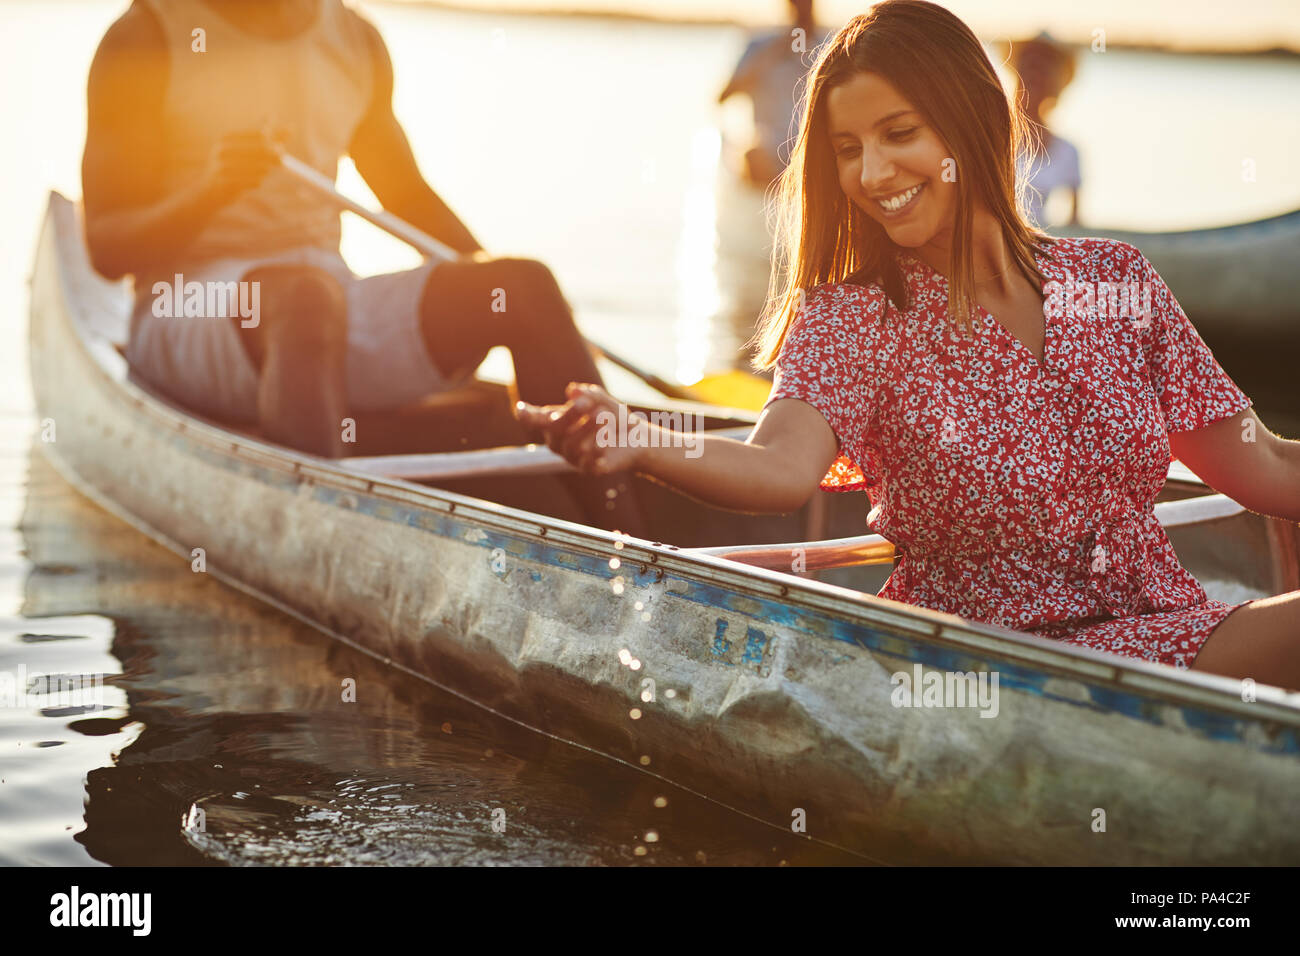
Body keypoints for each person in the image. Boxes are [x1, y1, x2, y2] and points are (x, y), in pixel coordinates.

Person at [518, 1, 1300, 688]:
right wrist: (641, 437)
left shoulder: (1114, 279)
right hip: (987, 667)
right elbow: (778, 467)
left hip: (1171, 628)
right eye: (848, 148)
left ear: (973, 121)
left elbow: (1262, 464)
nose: (872, 171)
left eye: (899, 134)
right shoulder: (853, 317)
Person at [82, 0, 645, 536]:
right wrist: (211, 192)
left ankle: (635, 548)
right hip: (184, 310)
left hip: (323, 310)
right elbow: (107, 249)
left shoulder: (353, 37)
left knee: (523, 284)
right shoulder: (147, 34)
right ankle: (316, 534)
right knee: (305, 299)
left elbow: (407, 197)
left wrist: (543, 319)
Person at [718, 0, 831, 190]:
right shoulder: (761, 47)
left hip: (815, 151)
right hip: (769, 157)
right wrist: (775, 53)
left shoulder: (829, 45)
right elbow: (724, 96)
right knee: (753, 157)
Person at [1007, 31, 1081, 227]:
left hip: (1038, 247)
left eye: (1043, 69)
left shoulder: (1067, 151)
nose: (1033, 75)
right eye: (1028, 65)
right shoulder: (993, 134)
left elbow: (1075, 222)